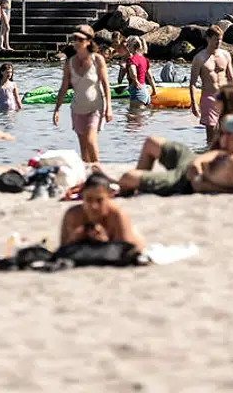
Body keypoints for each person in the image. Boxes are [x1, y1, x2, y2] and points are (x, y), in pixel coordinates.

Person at [117, 115, 233, 196]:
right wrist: (198, 162)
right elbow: (217, 153)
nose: (220, 137)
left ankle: (127, 190)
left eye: (224, 134)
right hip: (192, 160)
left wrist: (203, 184)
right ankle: (139, 187)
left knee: (127, 177)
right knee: (151, 142)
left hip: (185, 180)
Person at [53, 26, 113, 163]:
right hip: (77, 109)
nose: (77, 42)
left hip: (95, 107)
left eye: (80, 39)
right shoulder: (70, 62)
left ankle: (97, 169)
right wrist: (57, 109)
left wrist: (109, 108)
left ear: (88, 41)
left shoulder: (97, 60)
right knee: (83, 147)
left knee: (90, 141)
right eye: (75, 39)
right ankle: (87, 172)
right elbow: (63, 87)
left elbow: (105, 85)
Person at [60, 173, 145, 253]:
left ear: (109, 197)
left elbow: (126, 252)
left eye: (99, 200)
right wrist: (75, 239)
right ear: (82, 197)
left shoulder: (116, 215)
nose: (94, 206)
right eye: (89, 199)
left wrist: (105, 242)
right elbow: (62, 250)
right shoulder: (73, 215)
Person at [189, 25, 233, 144]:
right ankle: (210, 152)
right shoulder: (199, 58)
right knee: (211, 135)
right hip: (209, 98)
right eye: (216, 39)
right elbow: (193, 83)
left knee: (226, 132)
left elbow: (231, 78)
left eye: (220, 39)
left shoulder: (225, 55)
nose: (218, 42)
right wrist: (194, 104)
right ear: (208, 38)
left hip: (224, 97)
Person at [119, 36, 157, 109]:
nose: (127, 47)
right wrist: (154, 90)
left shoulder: (131, 59)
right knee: (143, 115)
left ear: (132, 46)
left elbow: (133, 73)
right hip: (145, 92)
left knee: (133, 114)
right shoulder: (145, 59)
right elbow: (150, 77)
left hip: (137, 91)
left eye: (128, 45)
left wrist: (136, 81)